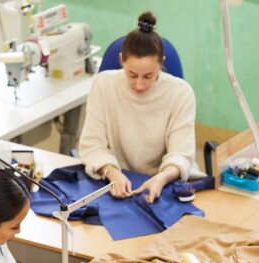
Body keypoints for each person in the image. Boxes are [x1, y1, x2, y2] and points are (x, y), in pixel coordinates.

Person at [79, 11, 196, 203]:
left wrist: (162, 177)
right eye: (132, 75)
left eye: (148, 76)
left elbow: (181, 154)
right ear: (121, 60)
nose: (139, 85)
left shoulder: (181, 93)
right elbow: (92, 145)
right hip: (115, 181)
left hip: (164, 184)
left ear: (162, 63)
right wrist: (111, 172)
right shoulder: (103, 85)